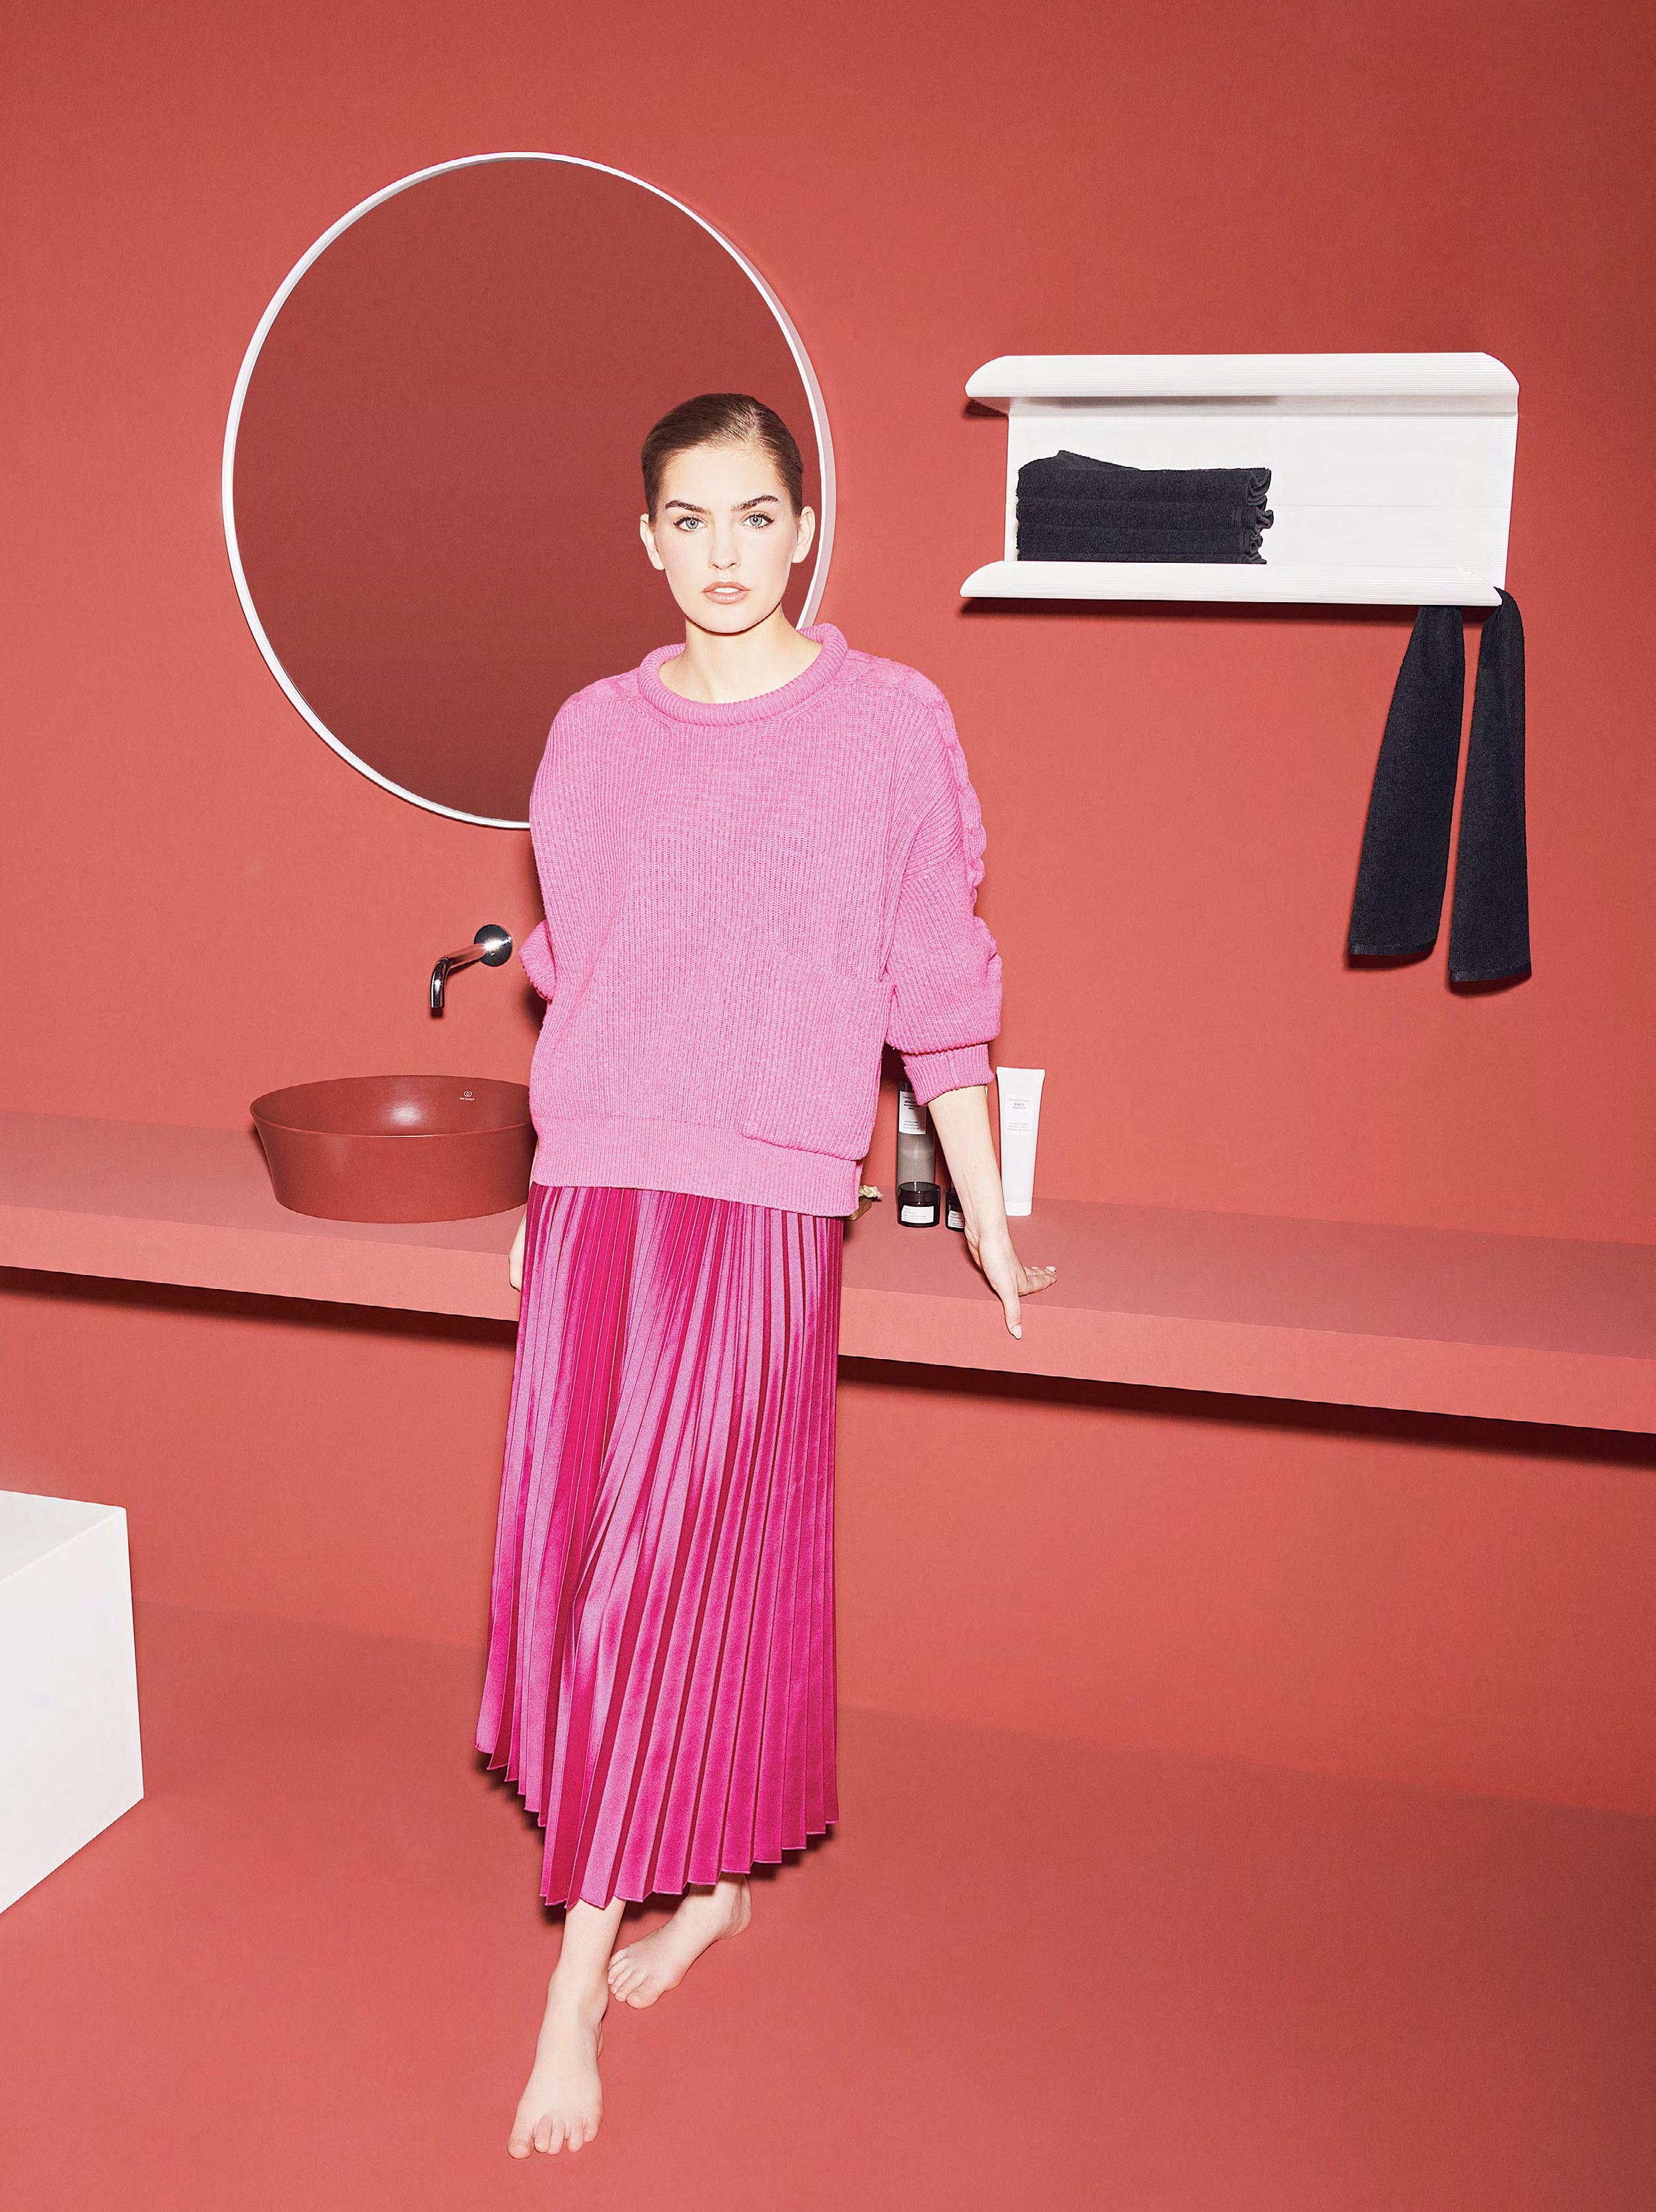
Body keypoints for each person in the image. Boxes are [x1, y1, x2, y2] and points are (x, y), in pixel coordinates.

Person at [476, 392, 1057, 2159]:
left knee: (665, 1568)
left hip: (757, 1202)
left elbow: (933, 986)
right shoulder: (592, 731)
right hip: (598, 1190)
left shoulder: (888, 724)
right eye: (689, 520)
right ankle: (712, 1879)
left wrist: (989, 1217)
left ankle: (570, 1997)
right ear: (646, 538)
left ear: (803, 527)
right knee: (604, 1561)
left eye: (753, 516)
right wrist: (548, 1181)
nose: (722, 553)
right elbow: (585, 972)